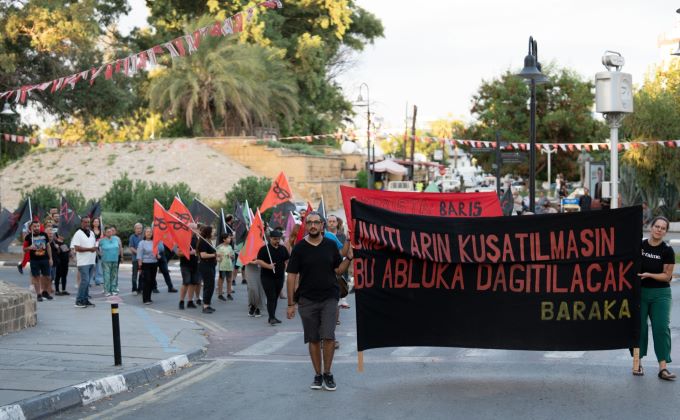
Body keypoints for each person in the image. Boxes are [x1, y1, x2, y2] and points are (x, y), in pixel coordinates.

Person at [286, 211, 353, 391]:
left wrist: (349, 258)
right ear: (306, 226)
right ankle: (317, 374)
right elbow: (291, 276)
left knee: (329, 336)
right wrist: (291, 303)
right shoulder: (299, 248)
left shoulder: (330, 245)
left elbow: (338, 270)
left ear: (322, 225)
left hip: (330, 297)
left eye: (317, 222)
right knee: (313, 339)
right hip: (307, 300)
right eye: (310, 223)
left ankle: (328, 373)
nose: (313, 225)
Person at [634, 216, 676, 380]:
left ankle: (663, 368)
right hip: (641, 292)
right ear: (651, 228)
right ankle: (637, 363)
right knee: (640, 329)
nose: (659, 230)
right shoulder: (640, 246)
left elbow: (667, 276)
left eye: (662, 228)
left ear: (665, 232)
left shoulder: (667, 250)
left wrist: (649, 274)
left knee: (661, 329)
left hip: (661, 294)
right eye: (656, 226)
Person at [256, 230, 289, 325]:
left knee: (275, 298)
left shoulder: (283, 249)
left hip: (280, 276)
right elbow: (259, 261)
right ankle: (271, 318)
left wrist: (289, 267)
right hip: (267, 277)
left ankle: (273, 316)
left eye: (279, 239)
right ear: (270, 238)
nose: (277, 241)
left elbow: (287, 260)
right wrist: (268, 266)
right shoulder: (264, 249)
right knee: (271, 297)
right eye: (275, 239)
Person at [71, 216, 97, 308]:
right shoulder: (78, 233)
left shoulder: (92, 233)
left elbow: (94, 245)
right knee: (84, 281)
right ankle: (78, 301)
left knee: (87, 282)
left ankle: (85, 299)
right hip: (83, 262)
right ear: (81, 223)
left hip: (91, 261)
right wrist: (90, 249)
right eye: (85, 222)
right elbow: (77, 248)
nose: (87, 224)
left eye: (88, 222)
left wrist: (95, 248)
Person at [24, 221, 53, 302]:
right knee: (36, 277)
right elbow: (24, 249)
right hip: (34, 260)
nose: (36, 228)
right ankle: (38, 294)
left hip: (44, 259)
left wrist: (50, 258)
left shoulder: (44, 235)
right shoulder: (28, 237)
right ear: (31, 228)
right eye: (35, 226)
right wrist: (29, 247)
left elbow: (48, 247)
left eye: (38, 226)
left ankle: (45, 292)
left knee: (47, 277)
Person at [178, 229, 200, 310]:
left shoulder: (197, 238)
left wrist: (197, 253)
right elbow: (179, 253)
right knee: (186, 282)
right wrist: (189, 253)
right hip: (185, 264)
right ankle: (181, 301)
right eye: (193, 228)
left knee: (194, 283)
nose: (195, 230)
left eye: (195, 228)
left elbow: (200, 251)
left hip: (195, 264)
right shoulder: (183, 238)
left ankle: (190, 301)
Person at [197, 225, 217, 314]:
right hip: (205, 266)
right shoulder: (203, 242)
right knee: (209, 285)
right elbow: (203, 255)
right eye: (212, 232)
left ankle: (207, 304)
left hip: (210, 265)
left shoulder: (208, 241)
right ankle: (205, 306)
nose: (214, 233)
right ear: (208, 232)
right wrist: (215, 255)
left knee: (210, 285)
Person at [137, 227, 159, 305]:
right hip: (145, 264)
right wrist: (139, 267)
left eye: (150, 232)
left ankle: (149, 298)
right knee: (147, 281)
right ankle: (145, 299)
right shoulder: (141, 243)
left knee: (152, 281)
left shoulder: (154, 242)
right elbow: (139, 255)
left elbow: (157, 253)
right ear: (145, 234)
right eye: (147, 232)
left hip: (154, 263)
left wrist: (158, 256)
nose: (149, 233)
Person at [99, 226, 121, 296]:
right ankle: (107, 291)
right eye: (108, 232)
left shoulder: (116, 239)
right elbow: (95, 247)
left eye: (110, 231)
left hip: (115, 260)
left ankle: (113, 289)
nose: (109, 233)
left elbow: (120, 247)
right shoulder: (102, 240)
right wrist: (99, 253)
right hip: (106, 260)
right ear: (105, 233)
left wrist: (119, 253)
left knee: (114, 276)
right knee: (107, 276)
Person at [216, 232, 235, 301]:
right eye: (228, 238)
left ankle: (229, 294)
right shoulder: (219, 247)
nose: (230, 239)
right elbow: (216, 256)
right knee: (221, 280)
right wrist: (218, 259)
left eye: (230, 238)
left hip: (229, 266)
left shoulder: (230, 247)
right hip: (222, 267)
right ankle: (220, 294)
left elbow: (233, 257)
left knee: (229, 280)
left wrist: (231, 256)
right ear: (224, 239)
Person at [128, 223, 143, 294]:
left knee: (142, 275)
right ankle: (134, 289)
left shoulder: (144, 236)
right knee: (135, 275)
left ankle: (140, 289)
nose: (139, 229)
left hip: (143, 259)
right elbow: (131, 247)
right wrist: (138, 253)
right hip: (135, 259)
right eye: (138, 228)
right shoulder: (132, 237)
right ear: (135, 229)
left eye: (140, 228)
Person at [91, 217, 103, 286]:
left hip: (99, 248)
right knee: (93, 265)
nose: (96, 223)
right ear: (92, 223)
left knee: (99, 265)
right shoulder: (90, 231)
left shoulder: (101, 231)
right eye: (95, 222)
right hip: (92, 248)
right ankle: (91, 280)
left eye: (97, 222)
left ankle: (98, 280)